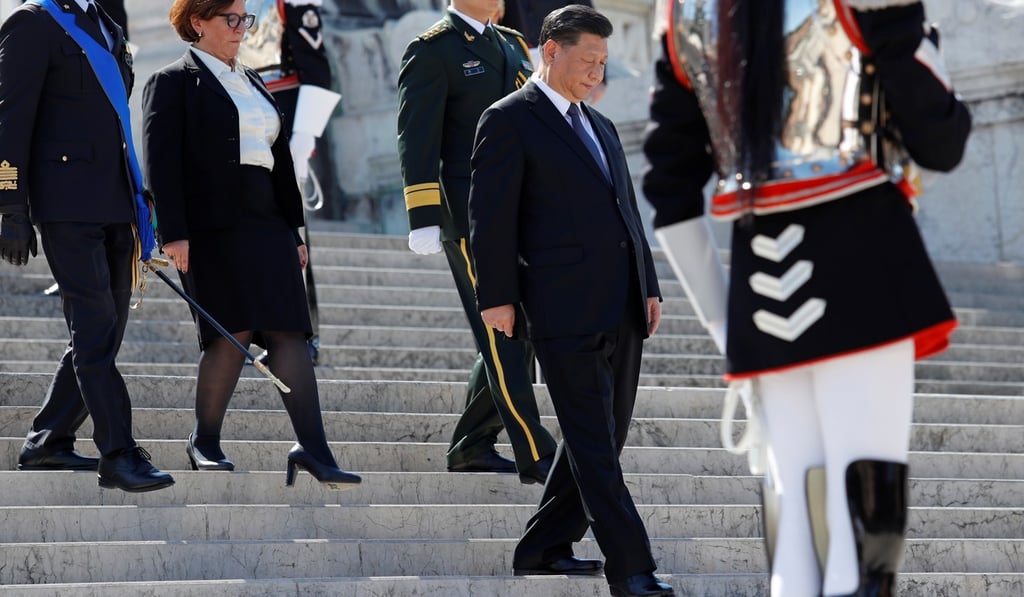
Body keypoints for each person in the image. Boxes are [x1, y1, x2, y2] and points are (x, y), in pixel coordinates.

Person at [642, 1, 972, 595]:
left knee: (794, 501)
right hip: (866, 259)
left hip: (759, 279)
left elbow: (670, 188)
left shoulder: (686, 13)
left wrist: (725, 328)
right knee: (860, 498)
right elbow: (941, 140)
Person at [469, 6, 674, 596]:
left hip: (623, 304)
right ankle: (631, 567)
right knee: (592, 442)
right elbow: (491, 217)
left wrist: (649, 282)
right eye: (587, 61)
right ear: (550, 51)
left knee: (604, 438)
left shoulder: (602, 126)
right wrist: (497, 297)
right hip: (560, 309)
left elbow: (626, 213)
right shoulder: (507, 120)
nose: (595, 73)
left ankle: (542, 545)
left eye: (603, 63)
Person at [141, 0, 359, 489]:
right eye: (231, 19)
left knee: (290, 332)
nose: (242, 28)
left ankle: (315, 449)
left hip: (268, 225)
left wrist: (294, 231)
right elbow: (161, 161)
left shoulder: (254, 80)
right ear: (198, 22)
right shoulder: (172, 81)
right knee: (231, 333)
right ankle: (205, 441)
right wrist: (171, 231)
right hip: (211, 227)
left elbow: (279, 163)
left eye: (246, 19)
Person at [0, 0, 174, 492]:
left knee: (106, 330)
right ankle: (118, 452)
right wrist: (9, 204)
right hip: (65, 204)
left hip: (116, 201)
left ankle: (48, 439)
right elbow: (9, 118)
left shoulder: (106, 25)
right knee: (96, 326)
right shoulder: (33, 22)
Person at [396, 0, 557, 484]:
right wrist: (423, 215)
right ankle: (535, 449)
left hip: (521, 209)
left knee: (519, 325)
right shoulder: (432, 50)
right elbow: (416, 135)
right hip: (467, 214)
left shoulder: (510, 43)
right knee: (503, 330)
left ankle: (470, 444)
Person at [239, 0, 340, 366]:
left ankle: (301, 333)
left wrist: (306, 134)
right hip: (237, 108)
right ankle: (255, 328)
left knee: (288, 232)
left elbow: (315, 65)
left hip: (280, 111)